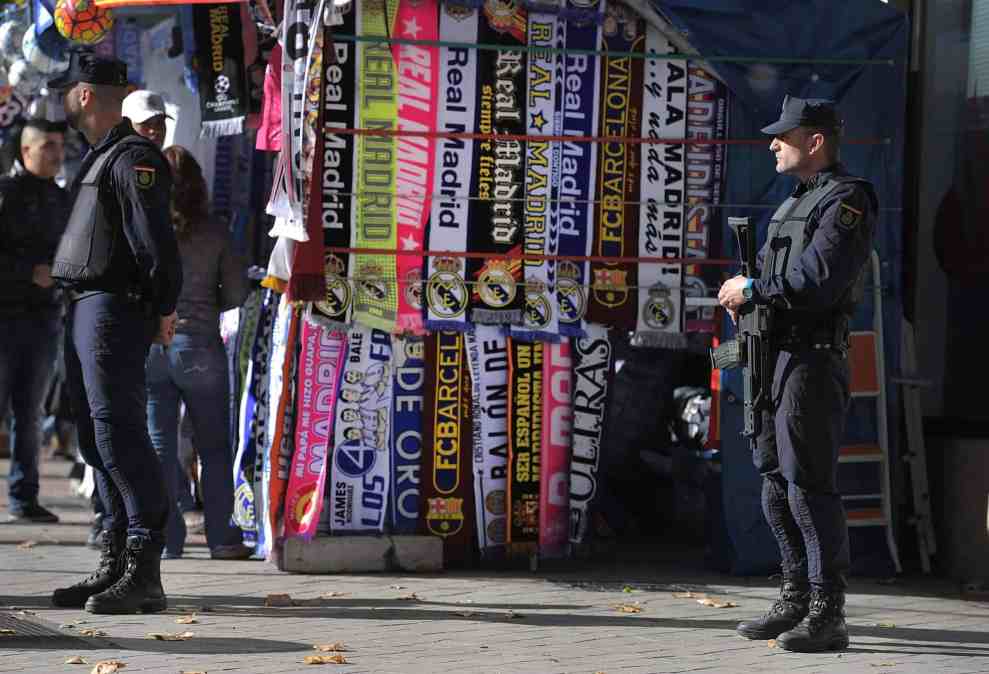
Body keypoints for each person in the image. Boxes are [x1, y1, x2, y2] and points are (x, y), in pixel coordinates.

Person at [718, 96, 877, 653]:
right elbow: (772, 274)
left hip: (810, 361)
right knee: (772, 481)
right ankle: (793, 600)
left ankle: (828, 614)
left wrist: (756, 289)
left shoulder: (847, 200)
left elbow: (819, 281)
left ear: (816, 142)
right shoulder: (793, 204)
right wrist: (745, 295)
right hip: (772, 356)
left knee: (809, 487)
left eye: (783, 136)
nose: (772, 144)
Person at [46, 50, 182, 615]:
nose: (62, 100)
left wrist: (163, 307)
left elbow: (155, 243)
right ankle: (115, 562)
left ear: (84, 95)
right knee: (96, 441)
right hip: (84, 309)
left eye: (66, 91)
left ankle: (144, 568)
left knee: (118, 435)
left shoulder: (132, 158)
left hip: (112, 310)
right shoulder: (101, 157)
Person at [146, 144, 251, 561]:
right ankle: (222, 536)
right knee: (213, 446)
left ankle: (167, 539)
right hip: (201, 345)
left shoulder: (146, 229)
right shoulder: (214, 231)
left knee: (159, 446)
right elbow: (237, 294)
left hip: (153, 347)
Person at [0, 119, 72, 523]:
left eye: (60, 146)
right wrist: (28, 271)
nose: (56, 153)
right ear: (26, 151)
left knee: (30, 413)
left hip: (43, 321)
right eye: (48, 146)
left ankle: (24, 497)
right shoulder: (5, 194)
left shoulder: (60, 200)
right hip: (4, 317)